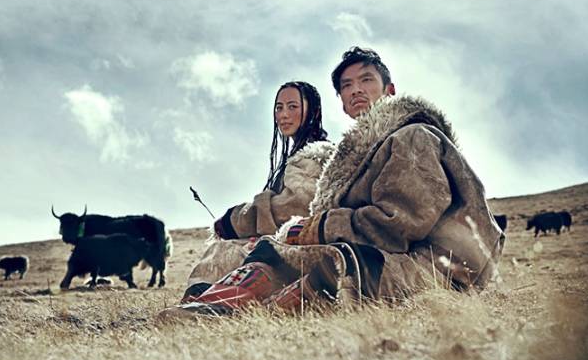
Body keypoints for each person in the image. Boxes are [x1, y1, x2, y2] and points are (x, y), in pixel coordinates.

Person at [176, 47, 503, 316]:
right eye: (346, 86)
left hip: (442, 267)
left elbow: (401, 224)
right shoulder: (360, 160)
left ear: (390, 91)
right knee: (276, 252)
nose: (355, 89)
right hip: (395, 256)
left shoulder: (413, 136)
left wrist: (320, 227)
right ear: (342, 102)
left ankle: (251, 312)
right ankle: (211, 310)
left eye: (366, 80)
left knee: (337, 266)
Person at [181, 80, 334, 302]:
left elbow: (295, 207)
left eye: (293, 107)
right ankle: (202, 302)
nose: (284, 114)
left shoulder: (315, 155)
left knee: (226, 250)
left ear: (314, 110)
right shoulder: (298, 155)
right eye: (279, 107)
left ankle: (204, 303)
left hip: (300, 246)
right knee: (226, 248)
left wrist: (238, 219)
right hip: (287, 243)